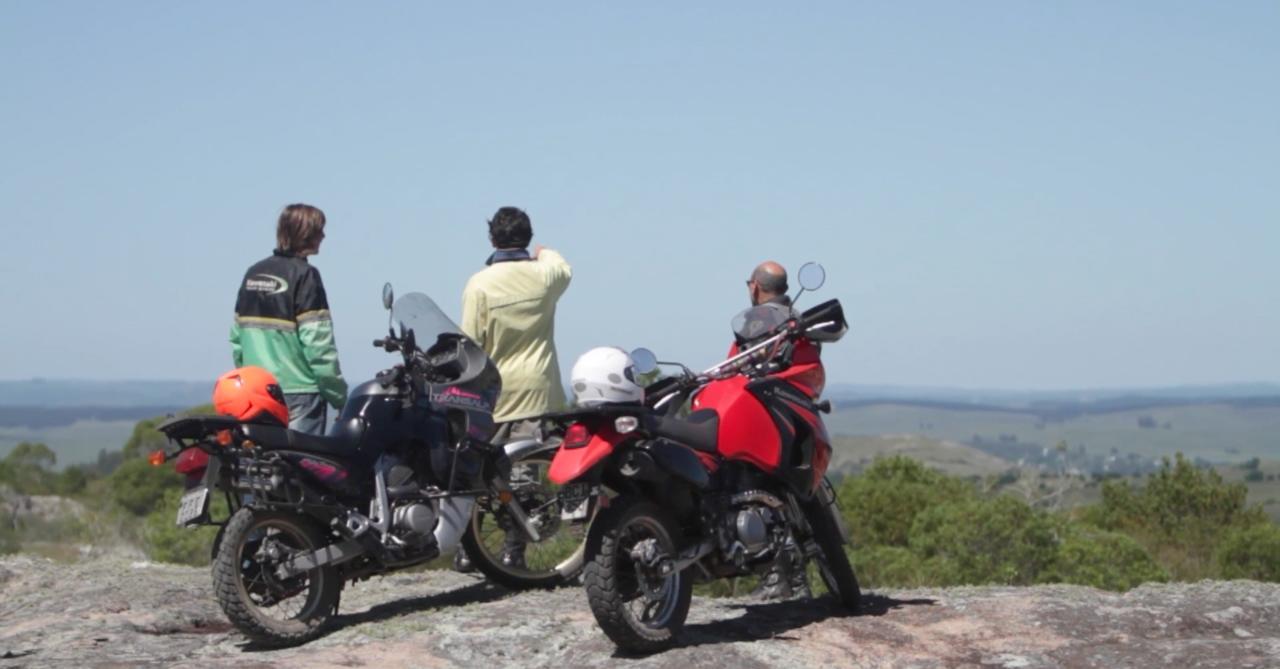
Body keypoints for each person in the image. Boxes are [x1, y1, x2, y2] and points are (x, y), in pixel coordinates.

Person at [454, 206, 572, 572]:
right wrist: (544, 252)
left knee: (478, 472)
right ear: (528, 236)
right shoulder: (544, 276)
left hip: (494, 395)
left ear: (493, 239)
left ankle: (468, 549)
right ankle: (513, 552)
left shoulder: (480, 284)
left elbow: (470, 343)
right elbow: (562, 266)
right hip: (538, 392)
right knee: (525, 478)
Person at [230, 203, 348, 435]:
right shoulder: (306, 276)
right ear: (307, 234)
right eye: (319, 230)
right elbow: (318, 344)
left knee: (262, 465)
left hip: (256, 392)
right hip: (300, 392)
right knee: (302, 467)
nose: (324, 236)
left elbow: (237, 340)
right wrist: (339, 396)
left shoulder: (253, 273)